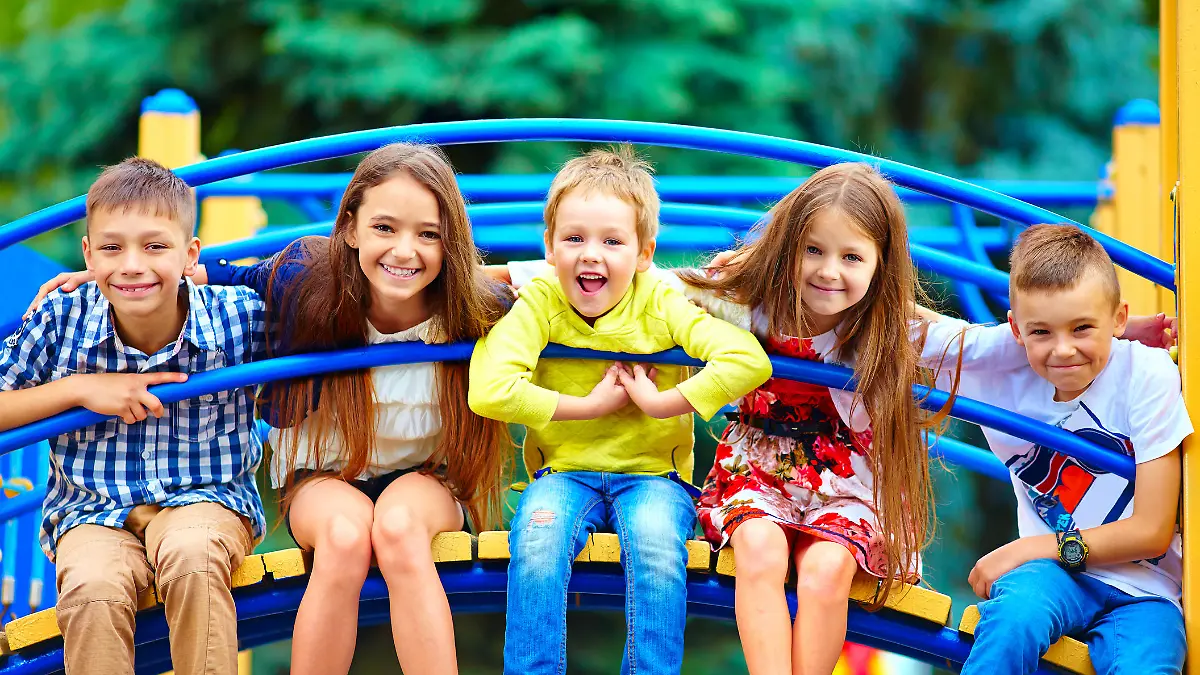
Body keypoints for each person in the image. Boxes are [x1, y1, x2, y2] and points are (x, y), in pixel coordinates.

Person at [468, 146, 772, 675]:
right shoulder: (541, 300)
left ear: (644, 252)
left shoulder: (662, 301)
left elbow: (748, 360)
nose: (591, 255)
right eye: (574, 238)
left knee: (655, 548)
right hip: (564, 473)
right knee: (537, 541)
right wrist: (586, 407)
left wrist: (660, 403)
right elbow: (487, 390)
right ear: (549, 246)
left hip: (653, 477)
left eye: (612, 241)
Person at [0, 158, 266, 675]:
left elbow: (328, 288)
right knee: (93, 588)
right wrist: (78, 389)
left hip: (205, 500)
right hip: (93, 511)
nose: (131, 265)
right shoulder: (61, 317)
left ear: (191, 254)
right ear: (87, 253)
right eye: (111, 249)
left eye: (155, 247)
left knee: (193, 555)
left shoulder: (237, 316)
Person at [681, 163, 937, 675]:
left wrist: (1090, 331)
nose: (828, 271)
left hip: (849, 487)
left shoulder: (891, 326)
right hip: (761, 474)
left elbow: (992, 348)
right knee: (759, 550)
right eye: (813, 250)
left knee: (826, 570)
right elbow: (639, 286)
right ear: (789, 245)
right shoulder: (751, 302)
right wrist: (519, 279)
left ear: (881, 265)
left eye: (851, 257)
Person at [921, 224, 1190, 675]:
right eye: (1042, 331)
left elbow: (1152, 531)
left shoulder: (1144, 374)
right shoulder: (998, 377)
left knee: (1147, 664)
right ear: (1015, 329)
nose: (1063, 350)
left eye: (1082, 327)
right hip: (1054, 577)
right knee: (1013, 620)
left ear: (1119, 318)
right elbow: (890, 320)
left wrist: (1024, 550)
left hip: (1147, 589)